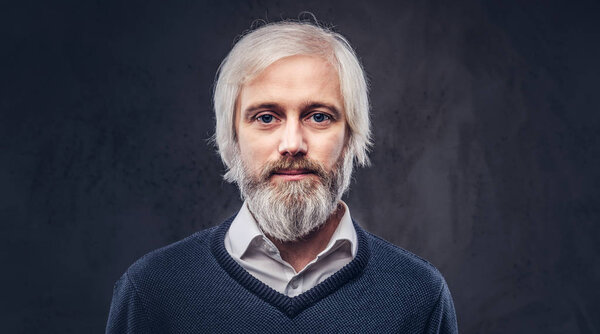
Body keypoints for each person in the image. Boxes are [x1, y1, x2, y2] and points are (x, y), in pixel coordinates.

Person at [106, 20, 458, 333]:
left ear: (351, 136)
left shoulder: (418, 295)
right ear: (233, 137)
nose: (292, 144)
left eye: (318, 117)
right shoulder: (153, 291)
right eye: (265, 117)